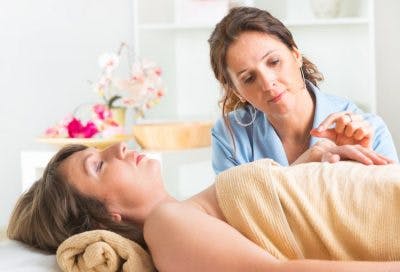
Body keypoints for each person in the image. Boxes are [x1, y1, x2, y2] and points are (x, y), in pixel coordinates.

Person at [7, 142, 400, 272]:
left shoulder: (191, 212)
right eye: (99, 165)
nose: (120, 147)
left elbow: (271, 221)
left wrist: (311, 164)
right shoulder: (165, 226)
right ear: (107, 215)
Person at [208, 7, 398, 174]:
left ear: (296, 55)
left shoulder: (369, 131)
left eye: (274, 62)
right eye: (249, 78)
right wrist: (309, 160)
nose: (267, 84)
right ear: (237, 91)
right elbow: (234, 212)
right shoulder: (230, 137)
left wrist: (353, 170)